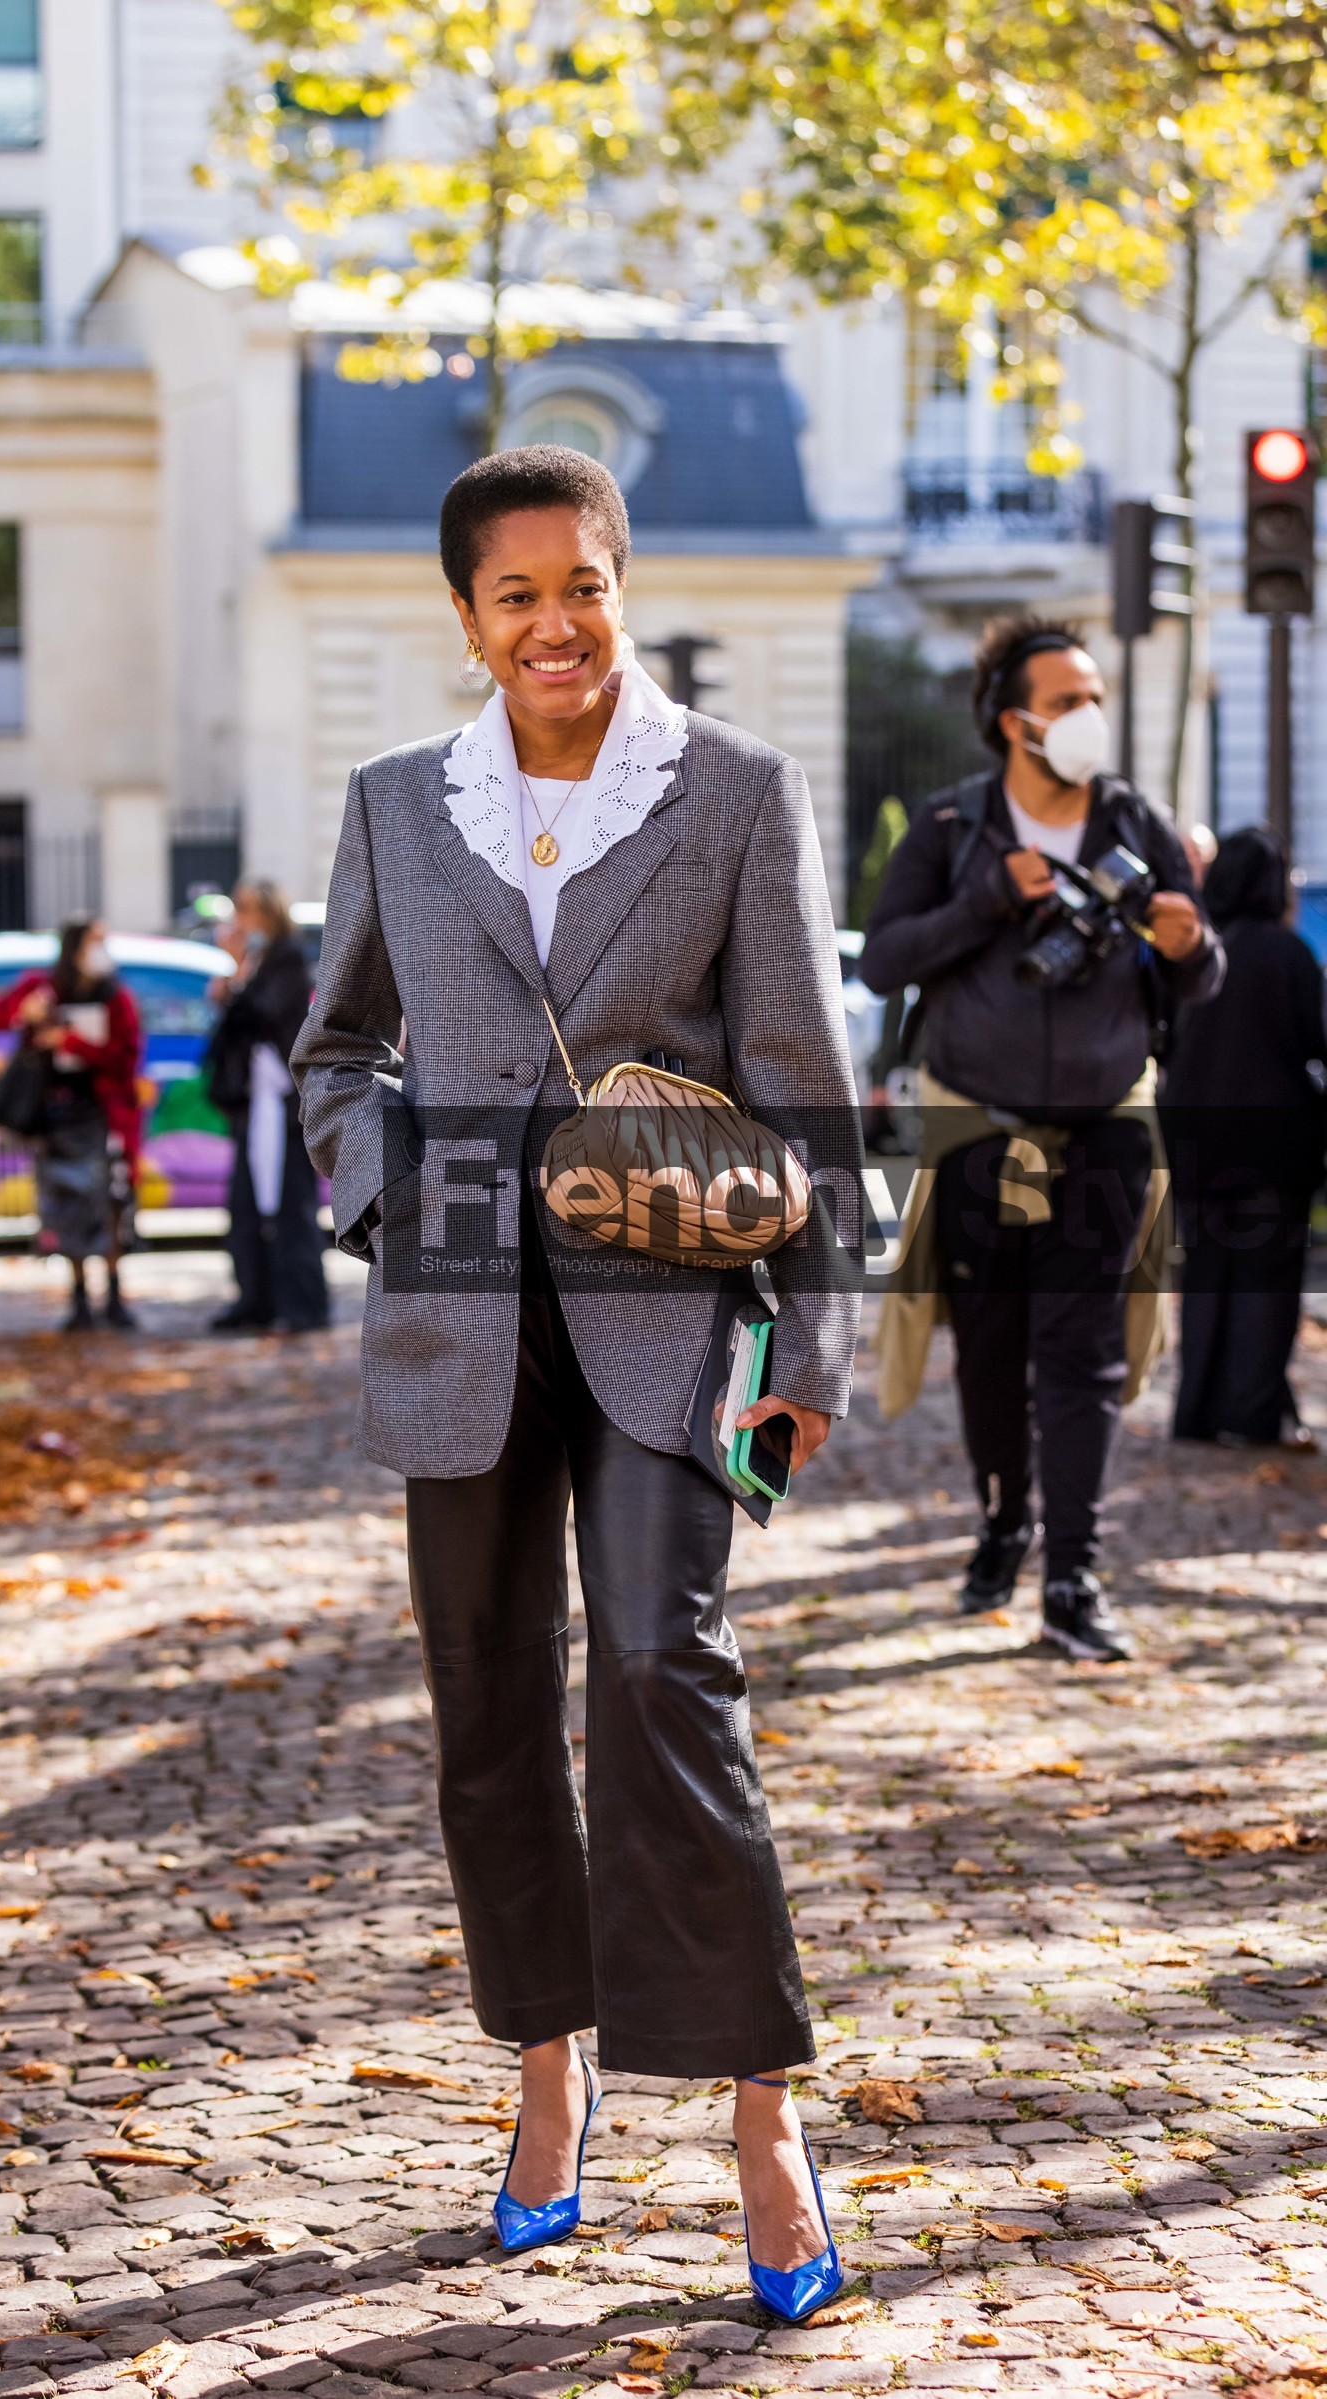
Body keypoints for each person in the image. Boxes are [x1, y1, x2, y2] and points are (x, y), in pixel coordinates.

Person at [293, 446, 860, 2323]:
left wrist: (820, 1347)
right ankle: (552, 2064)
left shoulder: (735, 796)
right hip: (458, 1307)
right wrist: (386, 1187)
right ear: (466, 618)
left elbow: (805, 1091)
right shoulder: (394, 801)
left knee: (658, 1662)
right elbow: (334, 1047)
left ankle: (765, 2119)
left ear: (628, 584)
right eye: (516, 593)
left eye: (585, 584)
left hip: (671, 1307)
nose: (556, 621)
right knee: (482, 1699)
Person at [861, 614, 1223, 1661]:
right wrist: (985, 898)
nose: (1088, 716)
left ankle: (1072, 1572)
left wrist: (1191, 948)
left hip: (1105, 1127)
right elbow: (884, 959)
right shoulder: (952, 826)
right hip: (983, 1128)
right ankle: (1001, 1521)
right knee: (989, 1348)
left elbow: (1198, 977)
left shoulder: (1138, 819)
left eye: (1094, 696)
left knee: (1084, 1353)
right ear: (1010, 719)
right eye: (1067, 700)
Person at [1163, 824, 1326, 1449]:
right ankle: (1253, 1414)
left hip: (1198, 1146)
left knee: (1206, 1280)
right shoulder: (1286, 954)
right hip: (1274, 1151)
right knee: (1266, 1284)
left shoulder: (1199, 951)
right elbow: (1317, 1040)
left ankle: (1197, 1413)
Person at [0, 914, 144, 1332]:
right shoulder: (43, 987)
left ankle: (113, 1292)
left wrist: (71, 1042)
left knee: (109, 1203)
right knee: (65, 1204)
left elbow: (125, 1058)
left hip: (102, 1116)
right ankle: (78, 1298)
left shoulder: (116, 997)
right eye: (95, 941)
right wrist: (25, 1012)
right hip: (56, 1116)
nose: (101, 950)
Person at [204, 879, 329, 1337]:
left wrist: (236, 978)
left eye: (251, 910)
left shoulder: (287, 960)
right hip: (252, 1107)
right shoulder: (251, 965)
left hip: (283, 1105)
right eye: (238, 909)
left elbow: (264, 1016)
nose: (242, 920)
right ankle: (254, 1298)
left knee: (291, 1207)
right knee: (246, 1207)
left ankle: (301, 1304)